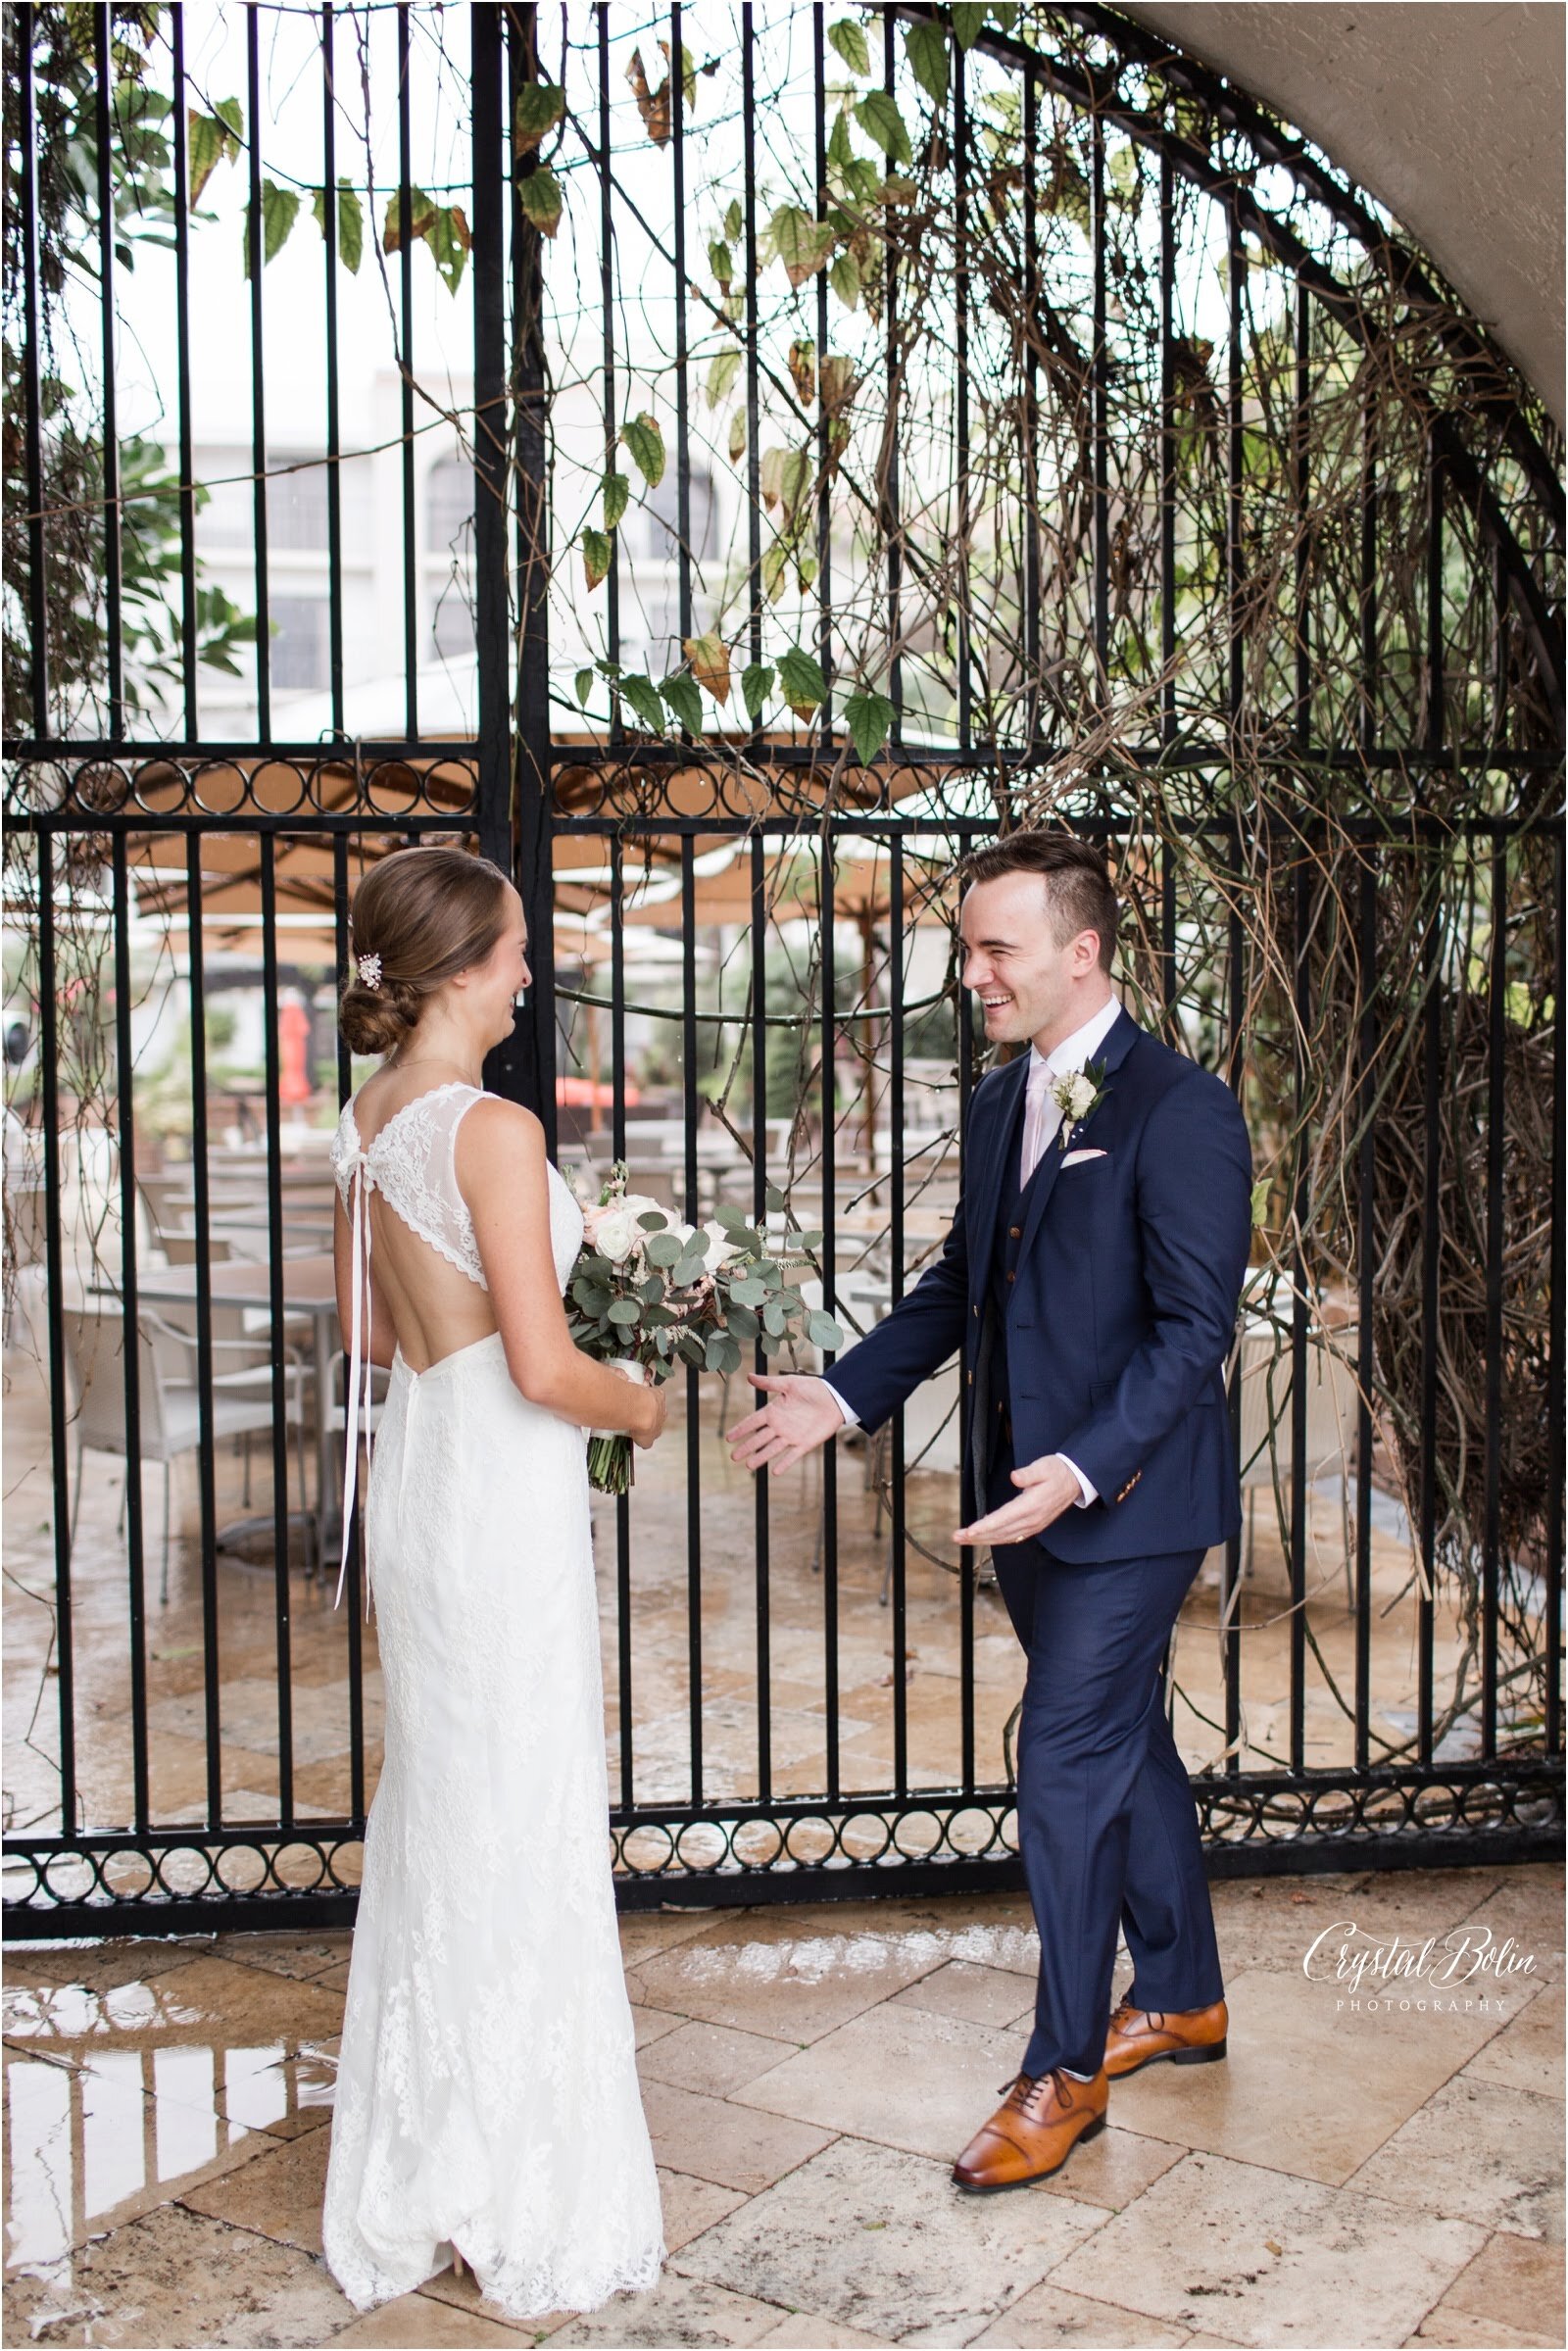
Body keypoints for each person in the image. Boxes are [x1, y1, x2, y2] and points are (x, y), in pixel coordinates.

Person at [725, 829, 1252, 2193]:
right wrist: (839, 1400)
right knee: (1123, 1738)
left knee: (1065, 1759)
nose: (972, 975)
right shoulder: (997, 1100)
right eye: (969, 949)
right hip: (1017, 1502)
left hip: (1122, 1504)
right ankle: (1183, 1993)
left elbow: (1196, 1333)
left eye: (994, 948)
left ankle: (1063, 2072)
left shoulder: (1178, 1109)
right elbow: (956, 1289)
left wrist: (1081, 1470)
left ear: (1082, 952)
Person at [320, 843, 668, 2319]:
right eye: (519, 948)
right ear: (463, 965)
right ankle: (515, 2176)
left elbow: (374, 1341)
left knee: (450, 1805)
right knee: (518, 1808)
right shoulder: (495, 1130)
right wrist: (642, 1397)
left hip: (423, 1474)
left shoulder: (370, 1110)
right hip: (500, 1489)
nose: (533, 969)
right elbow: (542, 1368)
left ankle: (430, 2160)